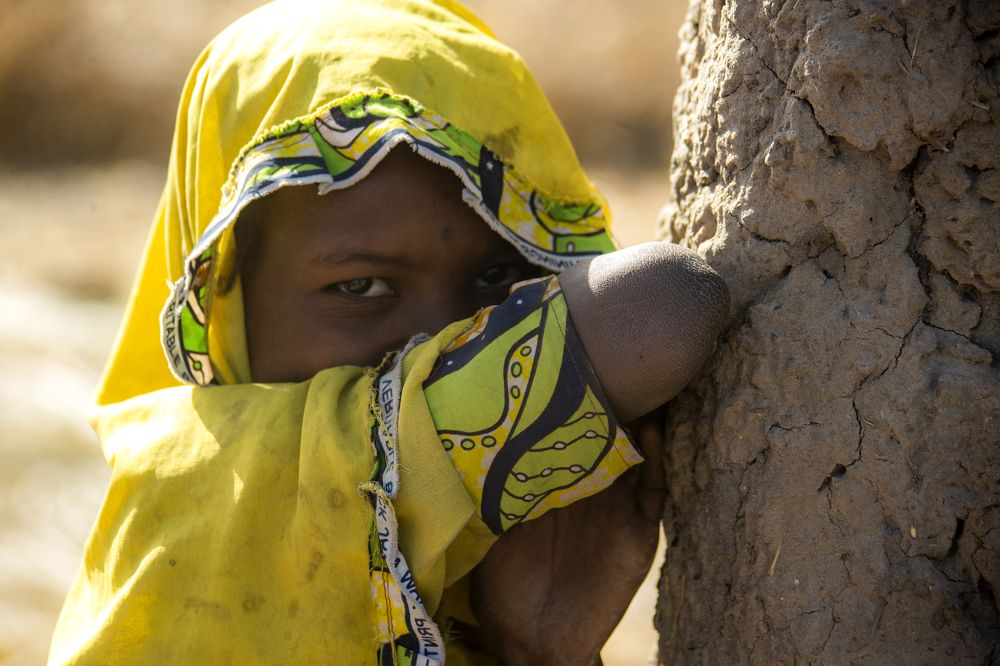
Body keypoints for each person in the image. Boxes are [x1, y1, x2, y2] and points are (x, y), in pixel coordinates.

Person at [49, 1, 729, 664]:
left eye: (496, 277)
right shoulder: (190, 509)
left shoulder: (511, 563)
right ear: (224, 299)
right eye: (362, 288)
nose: (439, 338)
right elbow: (665, 304)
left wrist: (539, 652)